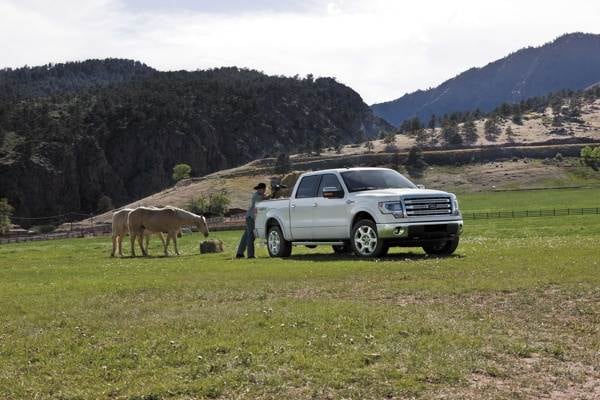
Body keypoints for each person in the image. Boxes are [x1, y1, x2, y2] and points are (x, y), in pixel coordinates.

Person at [236, 182, 268, 258]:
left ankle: (239, 253)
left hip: (250, 217)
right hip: (251, 218)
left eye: (261, 189)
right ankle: (250, 255)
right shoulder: (257, 196)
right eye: (260, 189)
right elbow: (265, 199)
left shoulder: (258, 195)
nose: (260, 190)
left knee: (246, 236)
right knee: (251, 236)